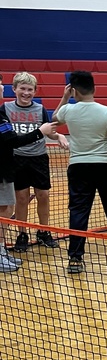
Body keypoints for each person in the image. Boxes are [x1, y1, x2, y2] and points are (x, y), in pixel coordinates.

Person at [52, 70, 107, 275]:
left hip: (78, 167)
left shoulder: (68, 110)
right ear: (94, 89)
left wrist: (64, 97)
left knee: (79, 211)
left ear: (73, 91)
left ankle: (75, 259)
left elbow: (54, 118)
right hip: (104, 166)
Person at [5, 71, 69, 252]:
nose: (26, 93)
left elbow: (48, 130)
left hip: (39, 158)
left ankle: (44, 231)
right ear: (14, 89)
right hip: (17, 159)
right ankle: (22, 234)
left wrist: (59, 136)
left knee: (43, 196)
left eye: (30, 89)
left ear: (35, 91)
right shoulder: (6, 109)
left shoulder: (39, 109)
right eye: (22, 89)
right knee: (22, 198)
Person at [0, 95, 57, 271]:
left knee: (7, 208)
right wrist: (40, 132)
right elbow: (13, 141)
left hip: (12, 165)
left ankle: (1, 251)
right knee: (5, 209)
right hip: (7, 165)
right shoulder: (4, 112)